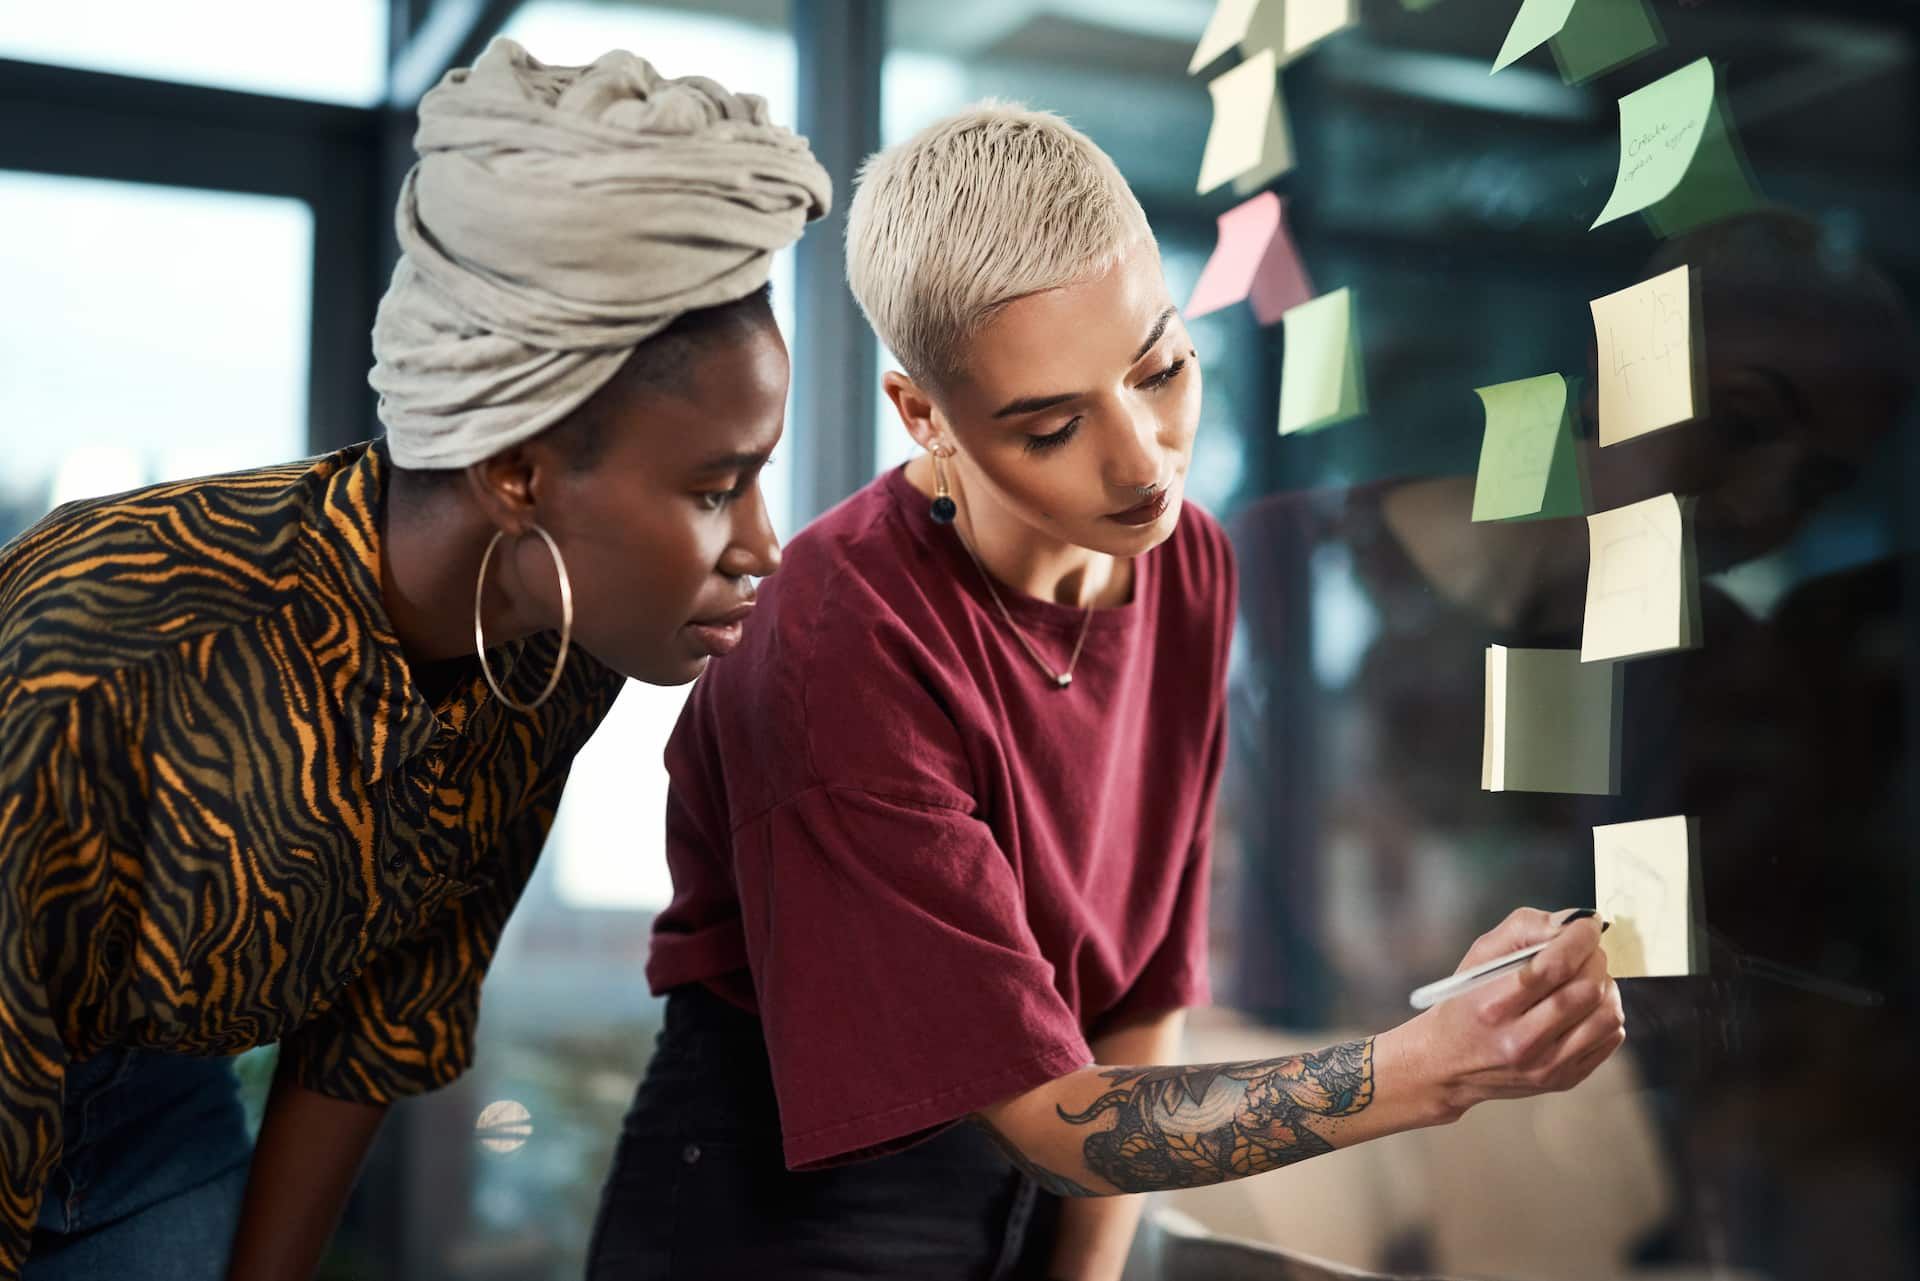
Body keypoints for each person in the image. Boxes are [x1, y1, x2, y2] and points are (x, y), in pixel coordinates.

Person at [586, 103, 1623, 1281]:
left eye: (1162, 369)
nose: (1143, 462)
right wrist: (1418, 1069)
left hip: (1049, 1167)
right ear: (924, 415)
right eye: (1052, 425)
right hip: (784, 1219)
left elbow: (1140, 996)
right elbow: (1050, 1118)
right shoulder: (838, 640)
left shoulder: (1188, 561)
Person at [0, 39, 827, 1281]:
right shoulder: (104, 650)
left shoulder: (554, 650)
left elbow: (389, 1014)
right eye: (717, 488)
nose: (763, 545)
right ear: (517, 476)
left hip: (163, 1117)